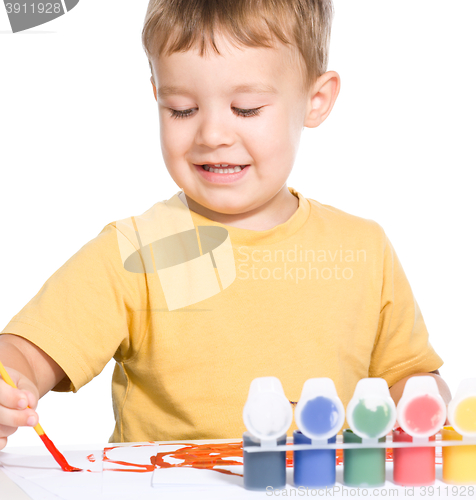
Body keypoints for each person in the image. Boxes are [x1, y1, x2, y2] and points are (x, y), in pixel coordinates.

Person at [0, 0, 450, 449]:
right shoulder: (133, 251)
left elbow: (409, 377)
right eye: (181, 109)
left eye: (247, 108)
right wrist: (10, 380)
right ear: (156, 95)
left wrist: (418, 403)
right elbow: (25, 353)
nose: (212, 134)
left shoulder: (363, 248)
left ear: (316, 101)